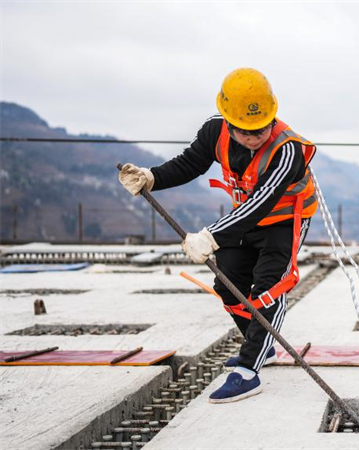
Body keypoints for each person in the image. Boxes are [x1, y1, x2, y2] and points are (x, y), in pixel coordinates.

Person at [118, 68, 317, 403]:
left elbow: (261, 203)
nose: (255, 137)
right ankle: (262, 346)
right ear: (228, 121)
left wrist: (210, 237)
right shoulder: (215, 131)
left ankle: (249, 369)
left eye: (262, 128)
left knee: (270, 289)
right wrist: (152, 177)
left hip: (283, 221)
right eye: (245, 130)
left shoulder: (288, 150)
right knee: (227, 283)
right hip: (244, 219)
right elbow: (190, 163)